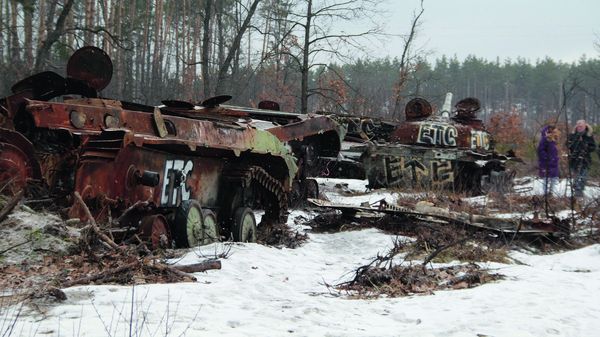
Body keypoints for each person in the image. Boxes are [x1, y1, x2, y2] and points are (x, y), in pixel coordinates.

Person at [567, 119, 597, 197]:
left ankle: (579, 192)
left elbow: (593, 147)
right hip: (574, 160)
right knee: (577, 178)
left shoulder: (589, 135)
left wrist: (585, 146)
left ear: (585, 126)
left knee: (583, 177)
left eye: (581, 126)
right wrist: (573, 145)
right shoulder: (572, 135)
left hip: (585, 160)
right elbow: (567, 145)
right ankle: (577, 193)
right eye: (578, 126)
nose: (579, 127)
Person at [537, 125, 560, 196]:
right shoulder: (545, 139)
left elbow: (554, 151)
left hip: (554, 163)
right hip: (546, 163)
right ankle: (545, 194)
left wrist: (556, 158)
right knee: (546, 179)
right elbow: (540, 150)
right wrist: (547, 158)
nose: (556, 133)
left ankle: (551, 193)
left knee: (553, 178)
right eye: (554, 132)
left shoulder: (554, 141)